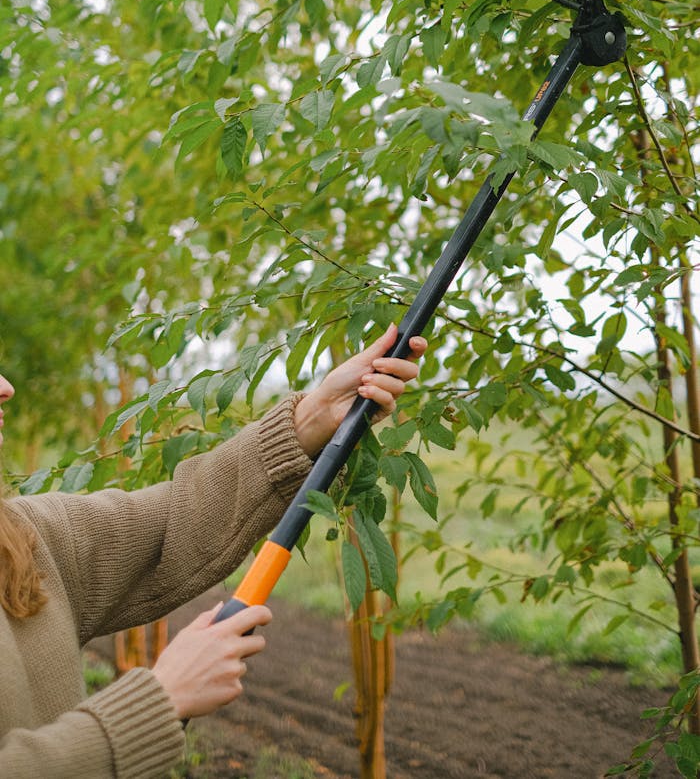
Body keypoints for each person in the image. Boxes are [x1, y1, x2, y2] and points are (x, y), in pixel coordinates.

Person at [0, 323, 427, 778]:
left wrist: (314, 416)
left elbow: (171, 523)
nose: (6, 387)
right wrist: (158, 701)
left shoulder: (23, 538)